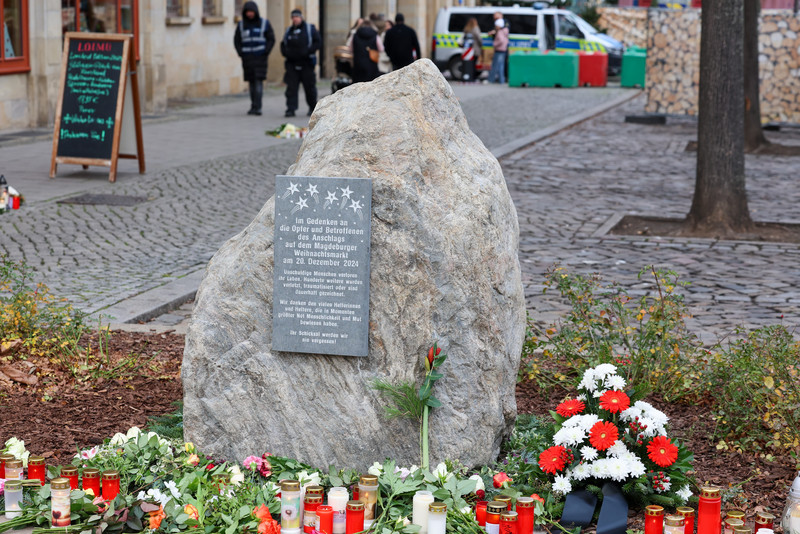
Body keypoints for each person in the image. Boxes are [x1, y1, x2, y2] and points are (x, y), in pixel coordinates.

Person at [234, 1, 275, 116]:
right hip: (247, 59)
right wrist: (241, 53)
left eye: (251, 11)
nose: (250, 14)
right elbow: (237, 40)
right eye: (248, 12)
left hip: (260, 58)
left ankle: (258, 107)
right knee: (251, 83)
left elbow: (271, 39)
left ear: (255, 12)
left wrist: (266, 51)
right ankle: (253, 105)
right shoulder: (241, 25)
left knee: (258, 83)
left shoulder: (264, 23)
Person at [280, 9, 321, 117]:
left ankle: (313, 108)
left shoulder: (309, 29)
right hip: (292, 64)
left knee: (310, 87)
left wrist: (308, 51)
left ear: (301, 17)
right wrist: (286, 53)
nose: (295, 19)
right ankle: (291, 109)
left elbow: (318, 42)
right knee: (291, 88)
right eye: (293, 17)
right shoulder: (289, 30)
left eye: (297, 17)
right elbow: (283, 44)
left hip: (306, 63)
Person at [487, 16, 509, 84]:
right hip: (503, 50)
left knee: (495, 66)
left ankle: (491, 79)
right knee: (501, 66)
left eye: (496, 25)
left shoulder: (499, 32)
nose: (495, 26)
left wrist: (494, 44)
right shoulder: (505, 30)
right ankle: (501, 80)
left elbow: (501, 40)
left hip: (499, 50)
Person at [460, 17, 482, 82]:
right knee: (474, 64)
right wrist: (481, 44)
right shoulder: (475, 28)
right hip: (475, 49)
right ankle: (472, 76)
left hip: (466, 49)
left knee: (468, 63)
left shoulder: (466, 28)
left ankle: (467, 75)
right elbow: (479, 38)